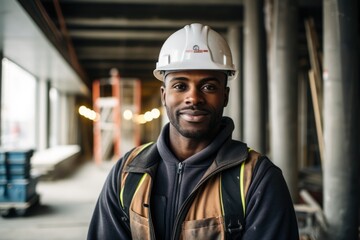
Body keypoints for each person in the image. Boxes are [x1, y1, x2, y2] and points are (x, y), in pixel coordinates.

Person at [87, 23, 299, 240]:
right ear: (163, 96)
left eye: (208, 87)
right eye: (180, 86)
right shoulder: (127, 173)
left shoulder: (258, 179)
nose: (194, 98)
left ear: (225, 96)